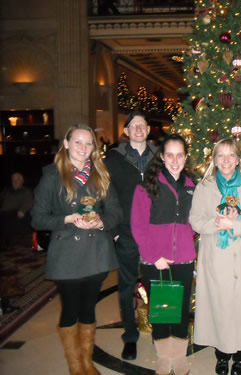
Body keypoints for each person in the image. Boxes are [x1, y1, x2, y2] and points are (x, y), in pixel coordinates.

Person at [31, 124, 121, 375]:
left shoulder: (100, 173)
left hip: (96, 252)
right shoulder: (52, 175)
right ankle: (75, 366)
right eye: (78, 142)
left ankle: (87, 362)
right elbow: (37, 217)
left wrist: (101, 221)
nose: (83, 148)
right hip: (67, 255)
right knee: (71, 308)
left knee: (89, 307)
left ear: (94, 147)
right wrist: (68, 218)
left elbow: (115, 211)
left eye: (88, 143)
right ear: (67, 144)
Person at [189, 138, 241, 375]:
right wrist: (217, 223)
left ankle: (240, 355)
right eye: (220, 156)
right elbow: (195, 220)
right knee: (220, 305)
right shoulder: (204, 187)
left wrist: (234, 224)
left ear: (238, 159)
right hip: (216, 256)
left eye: (230, 155)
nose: (226, 161)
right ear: (214, 160)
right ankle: (222, 354)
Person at [130, 134, 196, 375]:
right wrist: (153, 254)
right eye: (170, 155)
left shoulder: (191, 186)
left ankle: (178, 357)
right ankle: (163, 357)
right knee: (160, 309)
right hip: (154, 259)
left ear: (186, 157)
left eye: (180, 155)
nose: (175, 160)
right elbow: (138, 225)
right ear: (161, 156)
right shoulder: (147, 186)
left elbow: (195, 221)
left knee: (179, 310)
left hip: (184, 258)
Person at [105, 110, 158, 360]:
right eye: (133, 125)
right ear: (126, 131)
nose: (138, 129)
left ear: (148, 130)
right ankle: (130, 337)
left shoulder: (160, 157)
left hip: (154, 234)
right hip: (125, 234)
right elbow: (106, 195)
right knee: (126, 288)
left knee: (155, 284)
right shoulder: (113, 159)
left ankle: (159, 332)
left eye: (143, 125)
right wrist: (114, 232)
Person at [0, 172, 33, 250]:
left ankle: (7, 243)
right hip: (3, 212)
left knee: (7, 218)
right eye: (13, 179)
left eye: (17, 179)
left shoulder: (25, 191)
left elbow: (29, 202)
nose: (15, 181)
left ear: (22, 181)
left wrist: (22, 210)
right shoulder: (6, 190)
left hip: (15, 213)